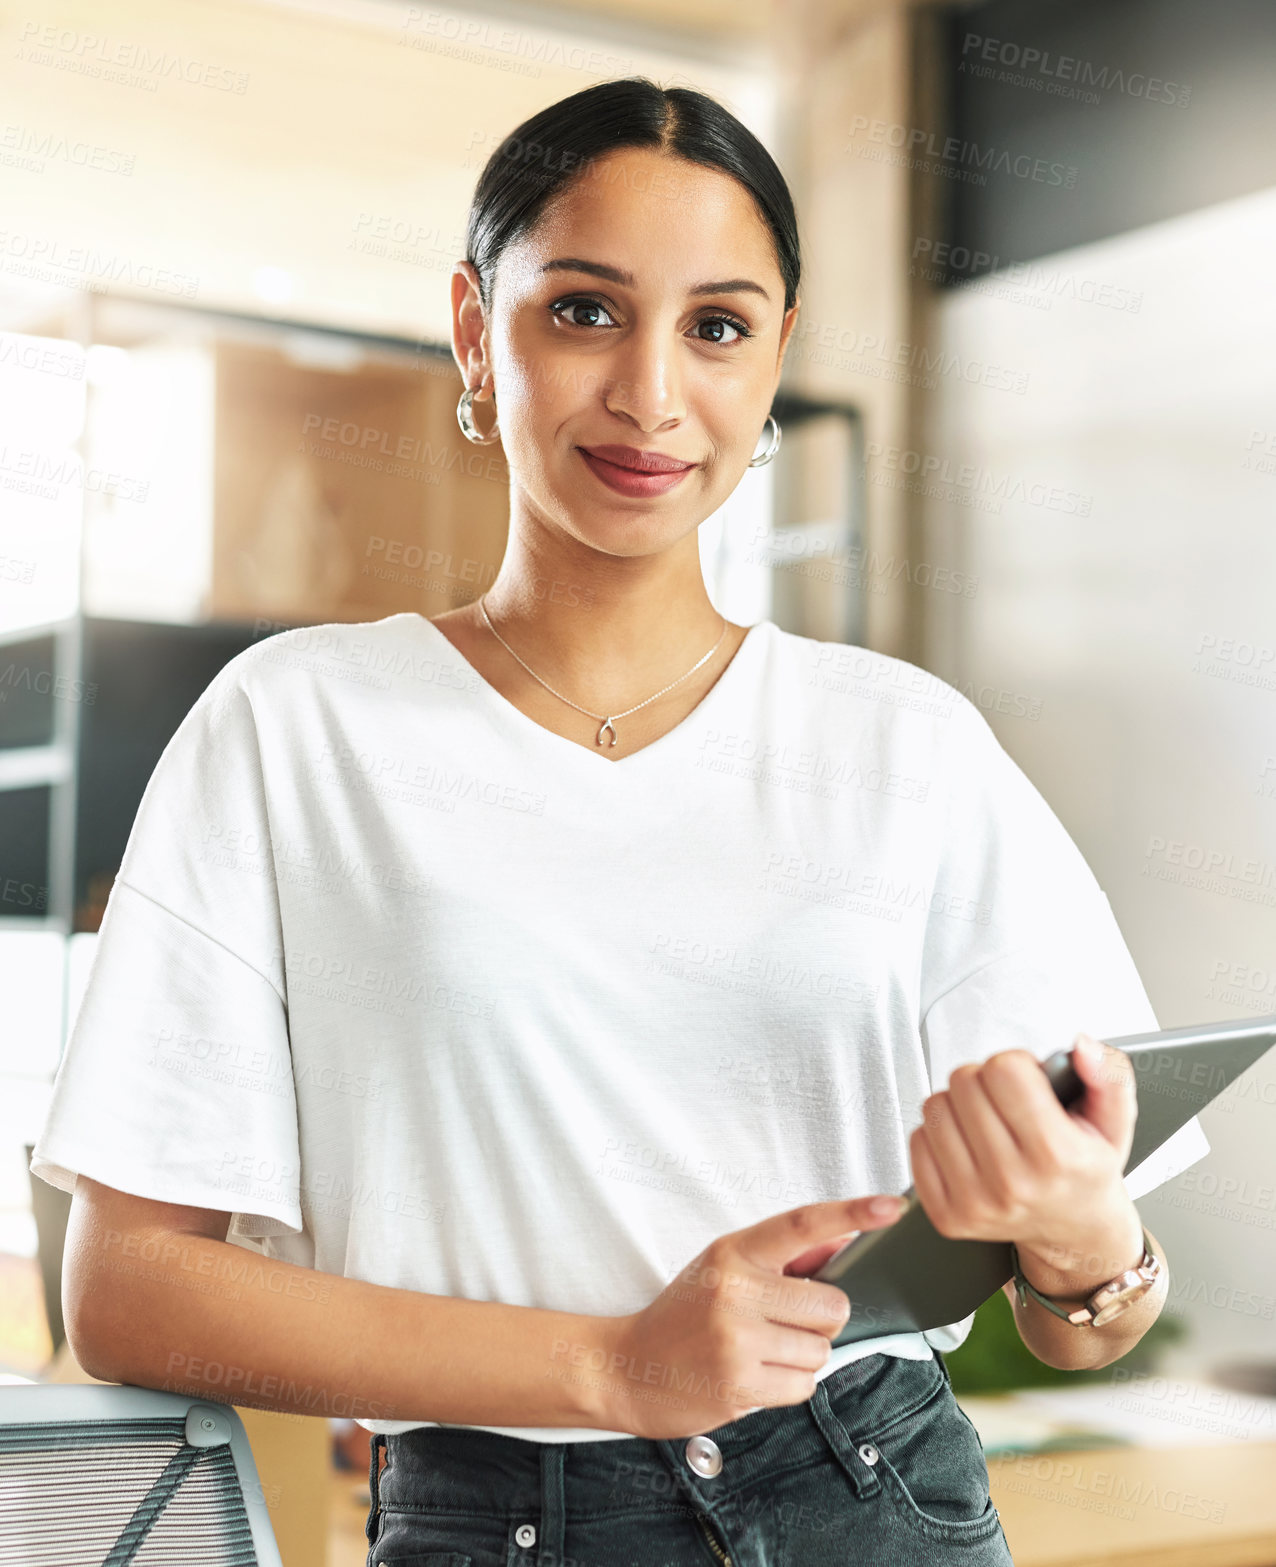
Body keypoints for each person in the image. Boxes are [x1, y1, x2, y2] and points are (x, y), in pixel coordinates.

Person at [31, 77, 1209, 1567]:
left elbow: (1092, 1320)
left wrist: (1081, 1237)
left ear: (775, 356)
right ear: (476, 327)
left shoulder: (908, 746)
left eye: (718, 326)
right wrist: (614, 1366)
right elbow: (129, 1294)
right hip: (492, 1521)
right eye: (585, 311)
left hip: (877, 1494)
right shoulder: (295, 728)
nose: (653, 394)